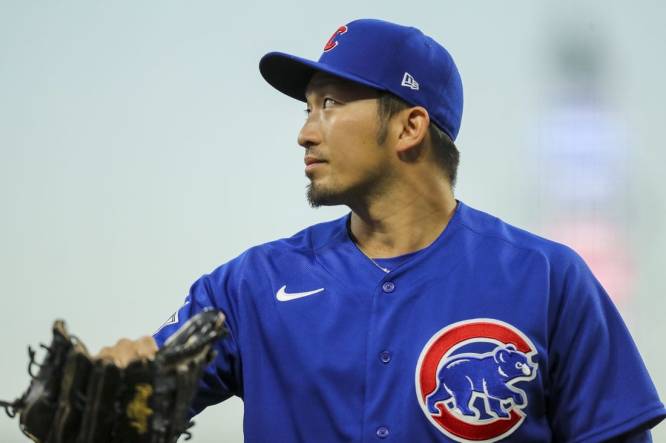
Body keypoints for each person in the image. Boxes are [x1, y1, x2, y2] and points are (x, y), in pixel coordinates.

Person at [100, 19, 665, 442]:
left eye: (329, 104)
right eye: (306, 108)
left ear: (408, 127)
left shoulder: (547, 278)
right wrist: (115, 387)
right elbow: (136, 395)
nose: (305, 133)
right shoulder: (253, 284)